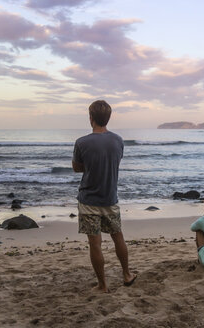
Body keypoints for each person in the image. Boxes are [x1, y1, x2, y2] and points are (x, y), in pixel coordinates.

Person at [72, 100, 136, 292]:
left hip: (89, 200)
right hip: (110, 198)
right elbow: (116, 160)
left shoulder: (81, 142)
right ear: (108, 118)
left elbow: (77, 168)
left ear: (90, 118)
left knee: (95, 244)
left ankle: (102, 285)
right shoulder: (118, 140)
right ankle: (126, 274)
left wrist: (90, 165)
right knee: (118, 237)